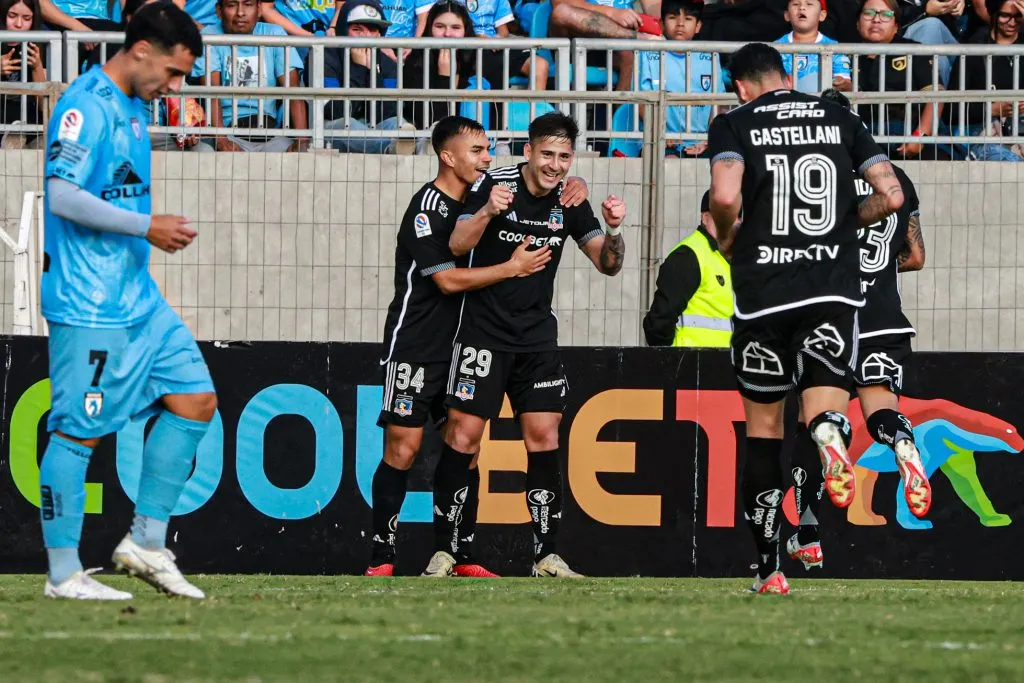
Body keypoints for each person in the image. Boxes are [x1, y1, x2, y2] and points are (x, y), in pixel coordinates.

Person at [706, 42, 904, 595]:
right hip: (830, 292)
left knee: (764, 433)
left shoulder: (735, 122)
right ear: (787, 74)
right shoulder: (839, 116)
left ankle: (769, 569)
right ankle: (829, 435)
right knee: (820, 403)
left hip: (764, 295)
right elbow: (890, 195)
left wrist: (729, 239)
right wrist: (842, 222)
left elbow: (724, 197)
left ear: (739, 85)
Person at [39, 1, 215, 600]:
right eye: (173, 72)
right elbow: (62, 196)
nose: (175, 86)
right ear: (142, 51)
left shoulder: (135, 107)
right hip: (89, 303)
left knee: (195, 399)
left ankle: (145, 541)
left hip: (138, 298)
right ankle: (64, 574)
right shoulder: (84, 106)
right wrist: (146, 227)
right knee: (76, 433)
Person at [434, 112, 627, 578]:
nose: (555, 165)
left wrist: (615, 228)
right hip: (481, 332)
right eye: (547, 154)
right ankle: (447, 551)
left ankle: (546, 555)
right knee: (463, 438)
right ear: (528, 151)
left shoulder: (570, 198)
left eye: (564, 157)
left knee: (544, 437)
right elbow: (456, 246)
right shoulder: (493, 185)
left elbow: (607, 264)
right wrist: (487, 212)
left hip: (537, 337)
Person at [367, 116, 560, 577]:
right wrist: (511, 269)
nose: (487, 157)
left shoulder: (483, 198)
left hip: (465, 343)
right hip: (417, 344)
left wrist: (574, 185)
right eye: (476, 151)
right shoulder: (427, 208)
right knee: (404, 447)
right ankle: (381, 558)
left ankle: (460, 555)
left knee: (466, 449)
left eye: (488, 149)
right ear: (447, 157)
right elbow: (449, 281)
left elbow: (537, 172)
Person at [787, 87, 931, 571]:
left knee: (818, 421)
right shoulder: (897, 179)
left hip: (828, 315)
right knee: (881, 411)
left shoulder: (813, 178)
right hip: (885, 317)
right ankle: (903, 445)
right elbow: (915, 257)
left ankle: (807, 531)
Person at [199, 0, 307, 152]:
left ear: (259, 9)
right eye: (231, 5)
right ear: (219, 10)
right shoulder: (209, 36)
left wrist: (301, 142)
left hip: (270, 134)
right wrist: (221, 140)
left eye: (248, 4)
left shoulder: (274, 34)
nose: (240, 13)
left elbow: (294, 91)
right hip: (228, 133)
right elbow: (211, 93)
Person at [322, 0, 416, 154]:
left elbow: (388, 113)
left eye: (373, 29)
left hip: (374, 125)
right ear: (343, 30)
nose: (365, 36)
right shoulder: (325, 57)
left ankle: (423, 147)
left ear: (380, 34)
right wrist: (359, 69)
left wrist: (372, 73)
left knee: (397, 123)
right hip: (332, 129)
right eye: (357, 29)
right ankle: (389, 148)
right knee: (347, 124)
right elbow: (335, 111)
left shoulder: (388, 63)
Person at [856, 0, 946, 160]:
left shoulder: (913, 50)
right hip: (863, 135)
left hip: (908, 132)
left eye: (885, 15)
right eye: (869, 13)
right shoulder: (844, 55)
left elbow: (936, 94)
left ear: (896, 26)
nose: (876, 20)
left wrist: (919, 136)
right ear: (857, 23)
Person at [642, 190, 733, 348]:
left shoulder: (731, 259)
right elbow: (657, 325)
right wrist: (676, 363)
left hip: (725, 368)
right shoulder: (689, 256)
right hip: (692, 368)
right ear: (705, 217)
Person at [638, 0, 725, 158]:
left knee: (723, 160)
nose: (680, 24)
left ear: (698, 26)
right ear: (661, 24)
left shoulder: (711, 56)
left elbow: (717, 107)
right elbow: (641, 105)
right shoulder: (648, 54)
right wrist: (660, 133)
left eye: (688, 19)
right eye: (673, 17)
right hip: (657, 141)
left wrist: (709, 140)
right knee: (669, 163)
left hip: (700, 143)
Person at [944, 0, 1024, 162]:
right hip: (980, 132)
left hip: (1019, 129)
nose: (1012, 22)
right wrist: (991, 109)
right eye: (1005, 16)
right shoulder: (974, 49)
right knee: (1004, 160)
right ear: (994, 14)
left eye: (1018, 17)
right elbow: (950, 111)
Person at [775, 0, 851, 93]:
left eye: (809, 4)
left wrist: (841, 83)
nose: (801, 7)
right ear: (786, 15)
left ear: (822, 15)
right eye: (796, 4)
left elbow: (847, 85)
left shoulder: (834, 48)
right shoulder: (775, 48)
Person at [0, 0, 47, 149]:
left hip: (32, 126)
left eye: (27, 19)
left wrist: (37, 68)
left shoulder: (38, 47)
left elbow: (44, 106)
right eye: (12, 16)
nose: (19, 24)